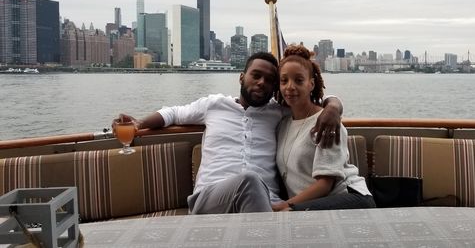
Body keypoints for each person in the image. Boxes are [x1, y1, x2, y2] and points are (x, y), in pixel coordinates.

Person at [114, 52, 343, 214]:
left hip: (266, 200)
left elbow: (309, 102)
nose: (262, 82)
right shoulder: (214, 105)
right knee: (250, 180)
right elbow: (173, 113)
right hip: (210, 198)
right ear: (242, 77)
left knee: (256, 187)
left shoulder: (278, 112)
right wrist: (139, 122)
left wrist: (333, 106)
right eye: (256, 75)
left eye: (270, 80)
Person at [272, 45, 375, 211]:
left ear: (311, 84)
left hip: (350, 197)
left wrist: (285, 205)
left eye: (298, 80)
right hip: (310, 204)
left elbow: (325, 184)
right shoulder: (282, 125)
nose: (289, 87)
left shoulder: (327, 122)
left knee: (288, 214)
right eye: (284, 81)